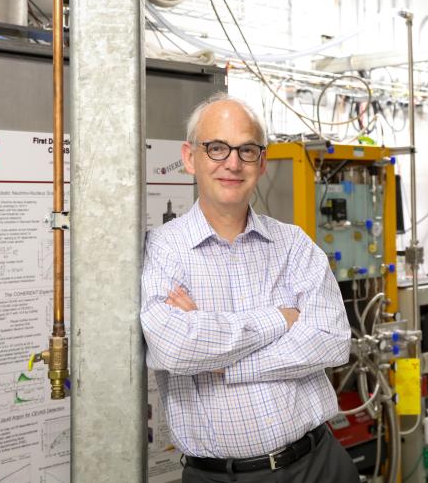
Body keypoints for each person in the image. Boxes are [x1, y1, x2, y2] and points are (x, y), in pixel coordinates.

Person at [140, 92, 358, 483]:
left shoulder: (293, 245)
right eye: (217, 148)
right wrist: (280, 319)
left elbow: (332, 339)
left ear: (263, 162)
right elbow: (174, 347)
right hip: (221, 477)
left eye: (247, 150)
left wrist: (220, 360)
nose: (233, 163)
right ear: (190, 157)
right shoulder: (162, 249)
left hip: (319, 465)